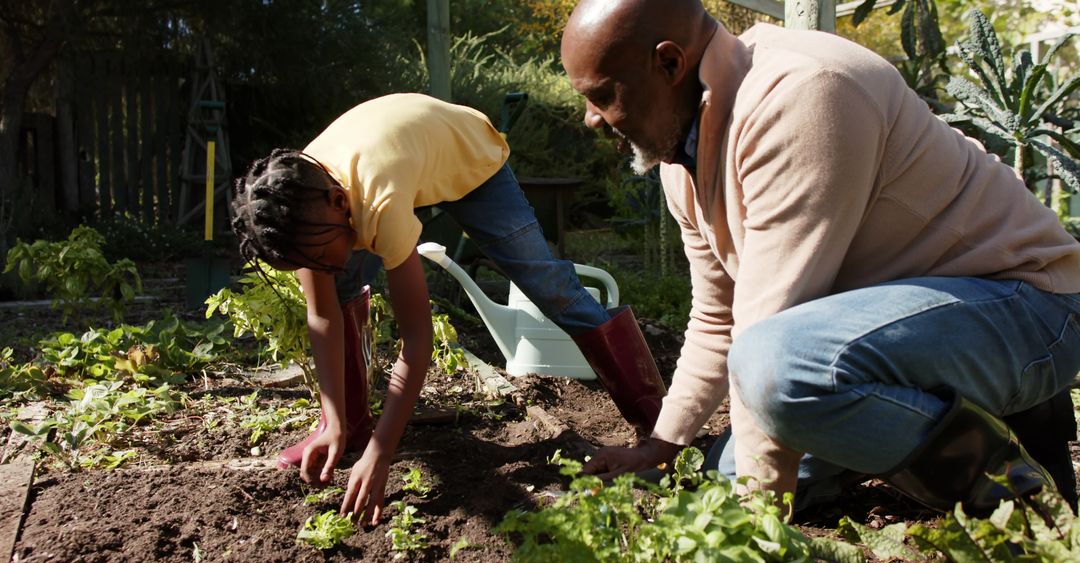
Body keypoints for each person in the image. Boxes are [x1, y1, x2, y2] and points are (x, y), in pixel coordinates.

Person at [560, 0, 1080, 514]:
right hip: (908, 331)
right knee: (728, 465)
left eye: (602, 95)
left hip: (1027, 303)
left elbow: (767, 327)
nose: (590, 119)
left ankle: (1017, 491)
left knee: (778, 377)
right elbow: (719, 314)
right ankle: (964, 415)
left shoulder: (804, 94)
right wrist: (663, 445)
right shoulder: (682, 153)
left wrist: (756, 523)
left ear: (669, 63)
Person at [229, 93, 667, 524]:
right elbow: (323, 316)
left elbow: (417, 341)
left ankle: (658, 426)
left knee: (546, 283)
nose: (324, 268)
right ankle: (352, 430)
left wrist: (384, 456)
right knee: (338, 291)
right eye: (309, 264)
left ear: (340, 204)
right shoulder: (293, 212)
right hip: (400, 152)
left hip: (467, 154)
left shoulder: (378, 203)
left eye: (323, 255)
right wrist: (333, 424)